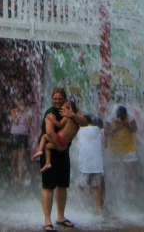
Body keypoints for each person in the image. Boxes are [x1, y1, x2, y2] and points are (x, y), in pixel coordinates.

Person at [39, 88, 87, 231]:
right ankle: (47, 220)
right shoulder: (50, 113)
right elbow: (49, 132)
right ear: (52, 99)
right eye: (55, 99)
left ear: (65, 99)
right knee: (48, 186)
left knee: (62, 185)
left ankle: (61, 216)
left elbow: (84, 122)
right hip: (51, 150)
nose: (57, 101)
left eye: (60, 99)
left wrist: (72, 115)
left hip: (63, 153)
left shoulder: (69, 110)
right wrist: (59, 147)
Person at [34, 101, 81, 172]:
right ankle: (48, 163)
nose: (61, 112)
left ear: (69, 110)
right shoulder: (77, 122)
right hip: (65, 143)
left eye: (63, 110)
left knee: (44, 136)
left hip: (59, 138)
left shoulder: (67, 117)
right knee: (47, 147)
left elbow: (59, 124)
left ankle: (40, 150)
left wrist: (52, 119)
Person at [75, 116, 105, 215]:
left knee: (80, 187)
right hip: (97, 165)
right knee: (96, 188)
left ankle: (76, 207)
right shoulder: (98, 131)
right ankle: (99, 210)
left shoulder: (80, 131)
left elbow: (76, 144)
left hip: (85, 165)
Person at [105, 105, 138, 195]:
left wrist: (127, 124)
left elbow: (135, 130)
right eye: (120, 118)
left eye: (123, 117)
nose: (121, 119)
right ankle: (115, 193)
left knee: (129, 174)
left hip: (129, 149)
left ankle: (128, 194)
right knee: (115, 173)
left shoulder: (130, 117)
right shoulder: (111, 118)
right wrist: (117, 128)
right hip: (115, 149)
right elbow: (106, 133)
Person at [10, 100, 31, 183]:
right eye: (20, 104)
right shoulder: (13, 111)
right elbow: (15, 121)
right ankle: (13, 172)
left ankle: (20, 177)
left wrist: (24, 114)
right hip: (15, 135)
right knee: (15, 156)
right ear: (17, 105)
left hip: (24, 136)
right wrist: (18, 114)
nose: (21, 105)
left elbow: (29, 122)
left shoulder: (27, 112)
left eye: (23, 104)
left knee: (21, 157)